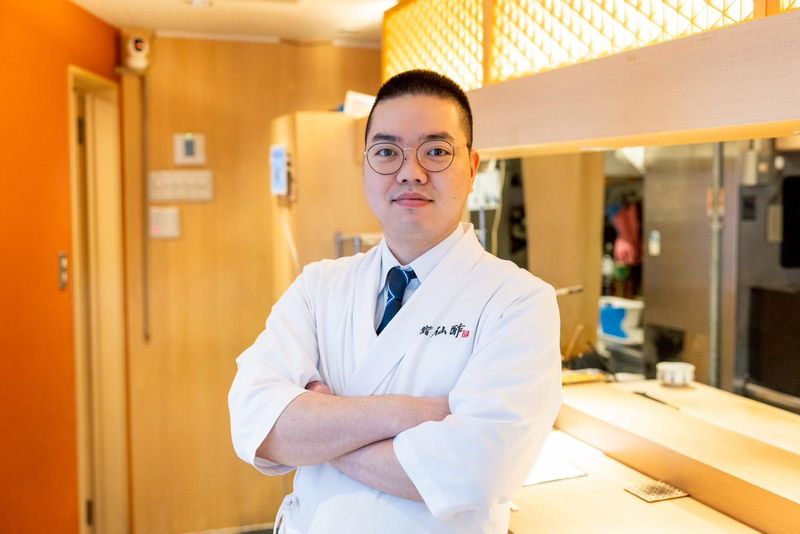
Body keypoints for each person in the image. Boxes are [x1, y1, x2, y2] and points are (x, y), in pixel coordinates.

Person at [229, 69, 562, 534]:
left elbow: (476, 471)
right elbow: (255, 422)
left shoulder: (518, 302)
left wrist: (321, 431)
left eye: (436, 151)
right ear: (365, 166)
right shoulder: (318, 286)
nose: (411, 172)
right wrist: (410, 413)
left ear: (472, 168)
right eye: (387, 152)